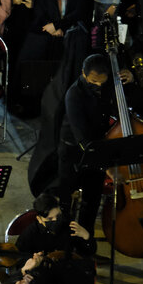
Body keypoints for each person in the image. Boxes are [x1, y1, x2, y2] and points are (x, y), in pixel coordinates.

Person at [58, 55, 120, 231]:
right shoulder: (74, 94)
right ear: (83, 74)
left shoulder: (107, 85)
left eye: (102, 81)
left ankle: (85, 238)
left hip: (97, 146)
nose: (99, 85)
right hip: (73, 148)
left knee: (92, 199)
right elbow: (81, 137)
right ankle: (65, 239)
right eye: (94, 81)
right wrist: (105, 165)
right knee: (66, 198)